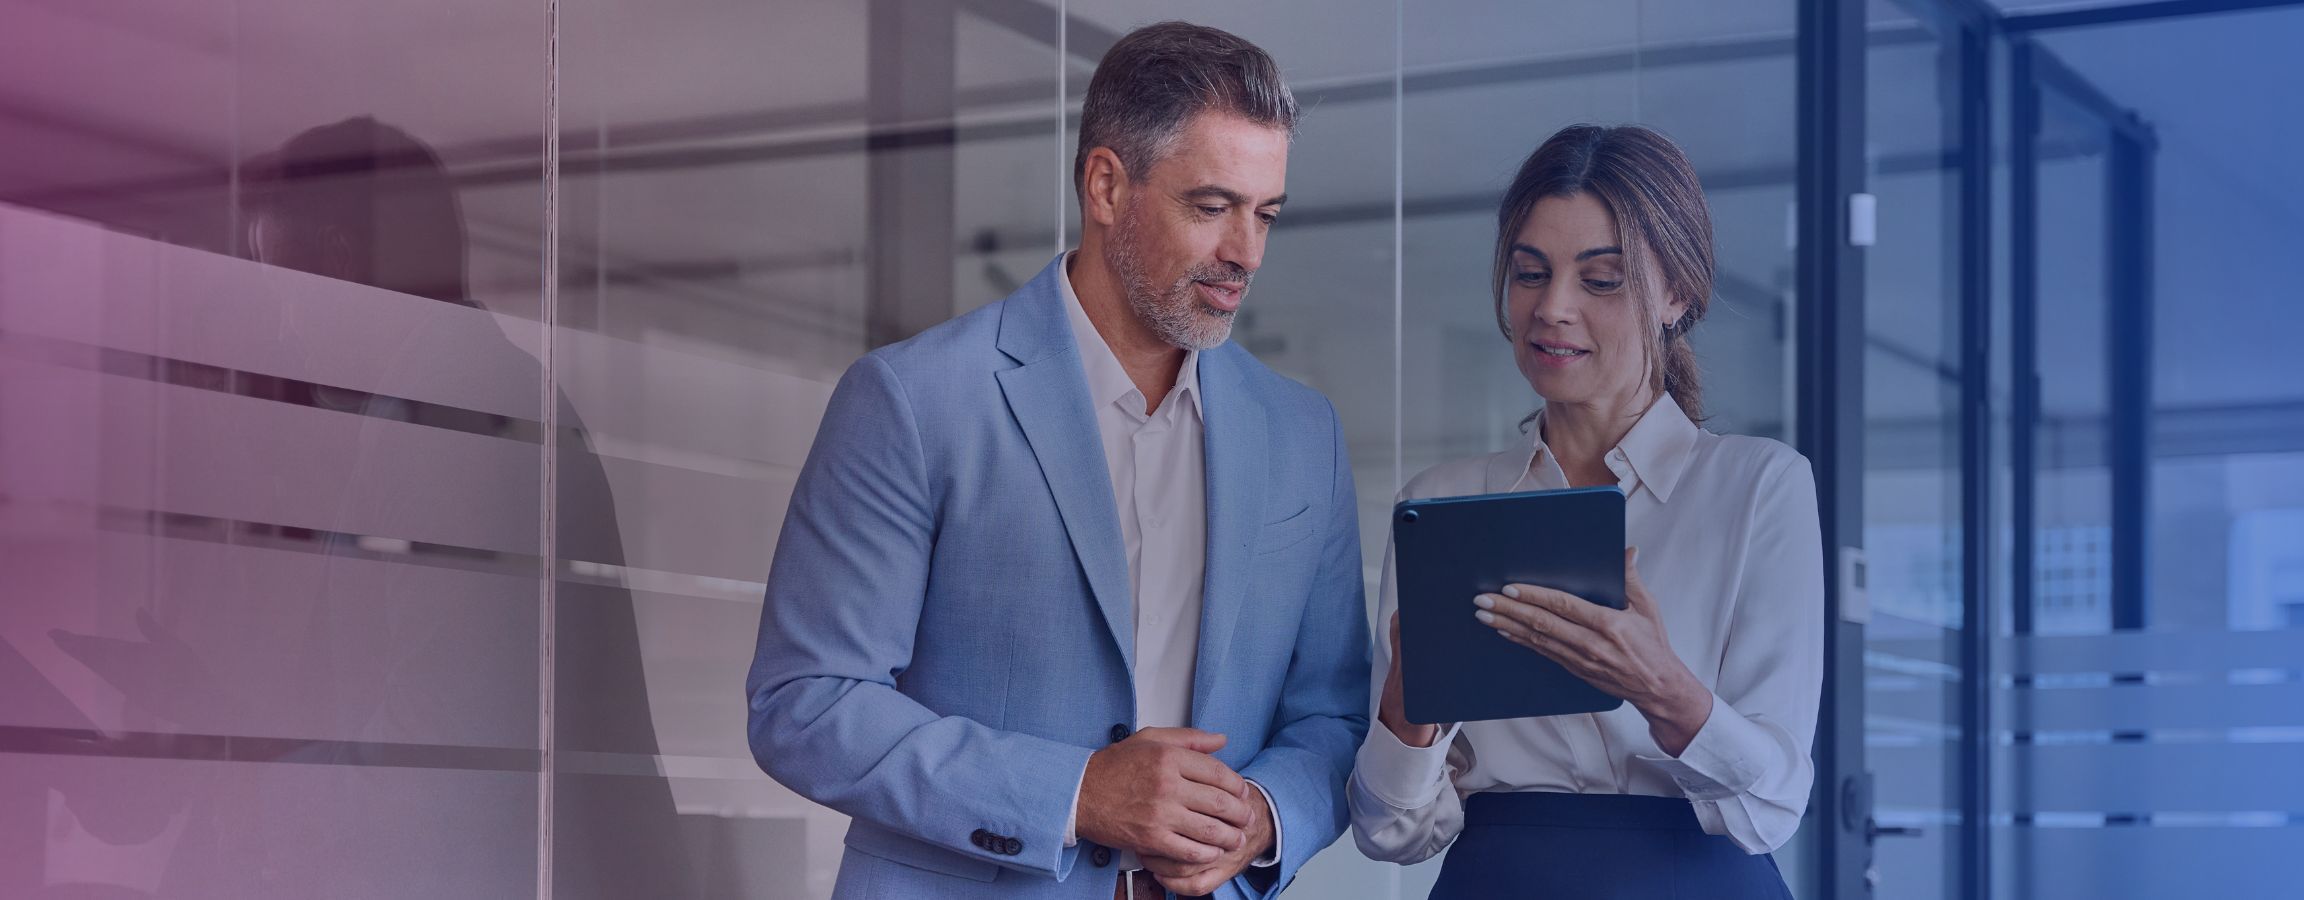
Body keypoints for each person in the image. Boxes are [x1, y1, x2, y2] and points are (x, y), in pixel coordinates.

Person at [746, 21, 1370, 900]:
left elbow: (1333, 715)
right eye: (1211, 207)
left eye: (1265, 213)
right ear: (1106, 185)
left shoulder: (1305, 434)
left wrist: (1265, 815)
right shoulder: (913, 400)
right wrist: (1075, 794)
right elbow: (806, 702)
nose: (1247, 253)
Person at [1348, 124, 1823, 899]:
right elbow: (1389, 832)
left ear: (1677, 294)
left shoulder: (1758, 487)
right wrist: (1407, 713)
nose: (1553, 308)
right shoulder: (1439, 505)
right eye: (1530, 274)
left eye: (1600, 280)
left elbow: (1774, 804)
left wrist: (1664, 689)